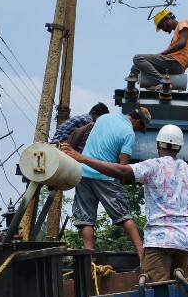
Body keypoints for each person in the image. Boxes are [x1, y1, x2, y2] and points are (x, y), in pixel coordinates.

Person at [61, 124, 188, 283]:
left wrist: (82, 158)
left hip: (159, 241)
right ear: (179, 148)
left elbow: (120, 171)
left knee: (157, 291)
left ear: (158, 144)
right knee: (178, 290)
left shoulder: (152, 166)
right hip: (183, 242)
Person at [70, 106, 152, 262]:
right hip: (105, 176)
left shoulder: (103, 118)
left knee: (86, 219)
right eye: (140, 127)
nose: (138, 131)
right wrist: (120, 183)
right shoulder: (128, 133)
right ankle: (142, 256)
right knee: (124, 215)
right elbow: (122, 167)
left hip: (83, 173)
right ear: (138, 121)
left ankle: (89, 261)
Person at [131, 9, 188, 88]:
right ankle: (142, 89)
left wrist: (162, 54)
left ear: (167, 19)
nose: (163, 30)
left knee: (138, 58)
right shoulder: (174, 37)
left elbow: (182, 43)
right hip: (172, 63)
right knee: (136, 68)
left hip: (177, 62)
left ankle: (163, 83)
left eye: (161, 26)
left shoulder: (183, 23)